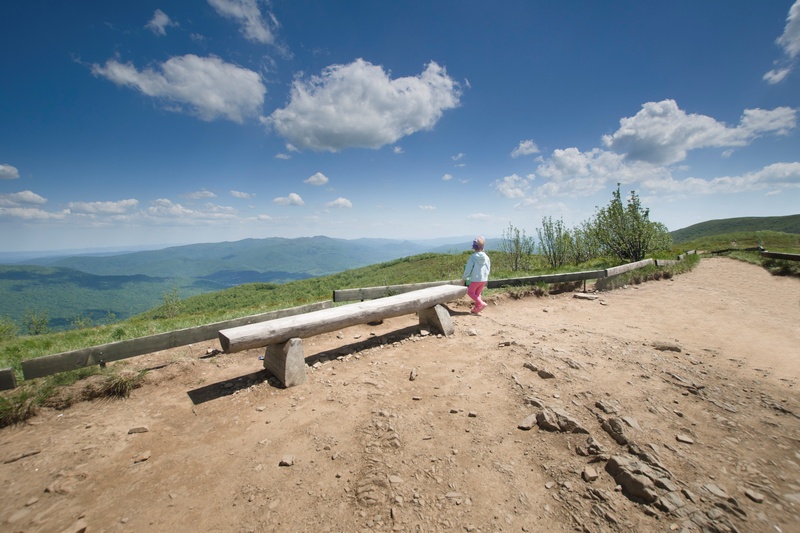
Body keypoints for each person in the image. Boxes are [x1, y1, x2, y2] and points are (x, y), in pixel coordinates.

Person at [462, 236, 491, 314]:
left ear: (474, 247)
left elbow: (468, 269)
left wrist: (464, 278)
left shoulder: (473, 257)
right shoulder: (486, 257)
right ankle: (477, 308)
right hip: (484, 279)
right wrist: (486, 275)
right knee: (477, 293)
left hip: (475, 279)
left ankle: (481, 303)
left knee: (470, 292)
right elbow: (488, 268)